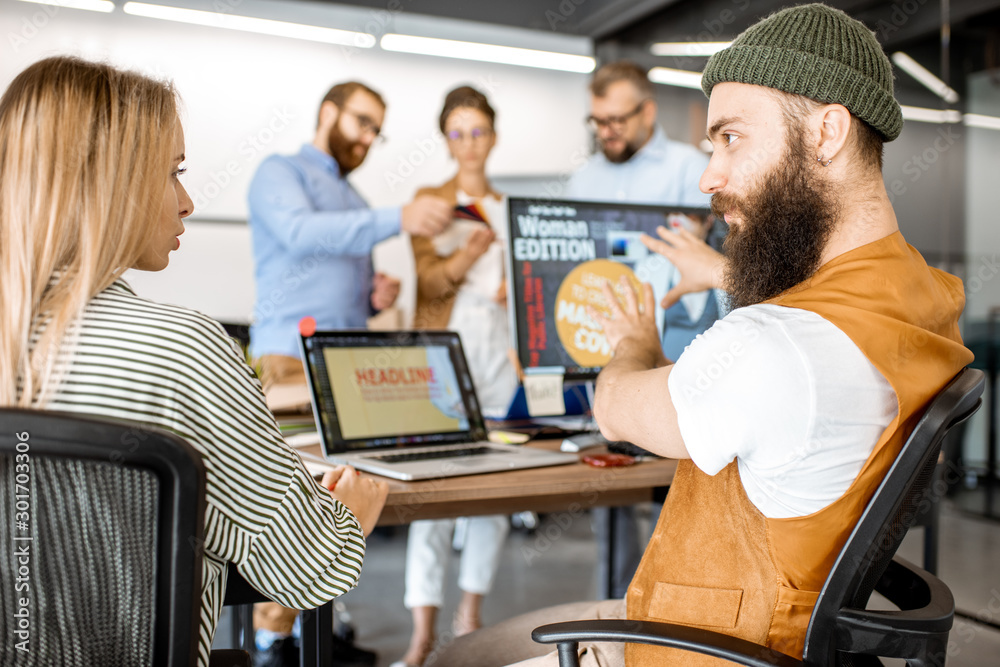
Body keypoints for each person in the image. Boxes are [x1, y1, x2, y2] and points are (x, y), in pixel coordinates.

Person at [432, 4, 973, 666]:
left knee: (460, 657)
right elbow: (792, 375)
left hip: (703, 646)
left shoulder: (774, 345)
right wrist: (719, 276)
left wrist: (632, 335)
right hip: (795, 635)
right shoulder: (921, 296)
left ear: (828, 131)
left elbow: (614, 406)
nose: (708, 177)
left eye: (732, 139)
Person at [0, 56, 389, 667]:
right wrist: (350, 515)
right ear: (108, 181)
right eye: (173, 172)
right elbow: (309, 569)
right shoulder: (184, 350)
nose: (187, 201)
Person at [567, 60, 718, 599]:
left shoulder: (690, 168)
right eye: (598, 121)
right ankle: (620, 605)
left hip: (679, 353)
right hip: (606, 351)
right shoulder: (585, 177)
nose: (608, 131)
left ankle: (673, 603)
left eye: (618, 119)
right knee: (611, 486)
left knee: (679, 490)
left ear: (647, 111)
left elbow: (696, 258)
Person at [393, 86, 519, 667]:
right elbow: (432, 283)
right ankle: (423, 629)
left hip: (498, 356)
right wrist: (471, 256)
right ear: (447, 139)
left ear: (492, 136)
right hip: (444, 357)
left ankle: (470, 615)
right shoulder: (430, 202)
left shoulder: (508, 205)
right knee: (434, 490)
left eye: (478, 131)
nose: (469, 143)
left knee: (492, 492)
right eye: (457, 132)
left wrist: (510, 291)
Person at [246, 80, 453, 389]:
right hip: (288, 356)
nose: (368, 138)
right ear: (328, 113)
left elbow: (343, 282)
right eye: (363, 122)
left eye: (376, 132)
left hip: (348, 360)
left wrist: (374, 298)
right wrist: (400, 217)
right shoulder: (280, 171)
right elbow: (300, 233)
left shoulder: (357, 200)